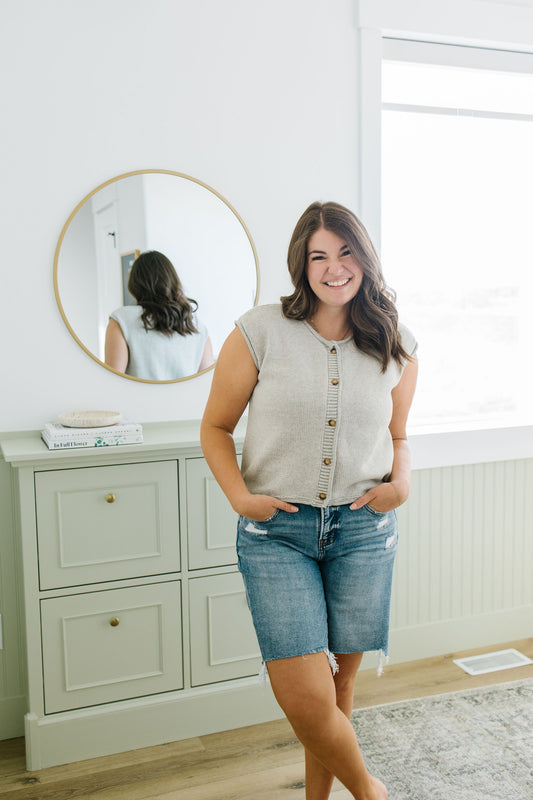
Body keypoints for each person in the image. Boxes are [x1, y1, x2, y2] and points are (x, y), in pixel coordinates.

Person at [200, 201, 418, 800]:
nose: (334, 267)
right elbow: (214, 427)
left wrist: (401, 485)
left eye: (345, 252)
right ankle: (373, 794)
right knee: (304, 695)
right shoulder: (259, 330)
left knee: (339, 694)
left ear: (364, 258)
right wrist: (241, 498)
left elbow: (398, 436)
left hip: (363, 531)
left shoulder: (395, 342)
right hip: (279, 536)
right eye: (318, 255)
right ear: (302, 263)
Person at [105, 250, 214, 380]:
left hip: (139, 400)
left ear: (135, 284)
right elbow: (205, 386)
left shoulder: (122, 320)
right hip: (187, 401)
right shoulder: (197, 327)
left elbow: (112, 383)